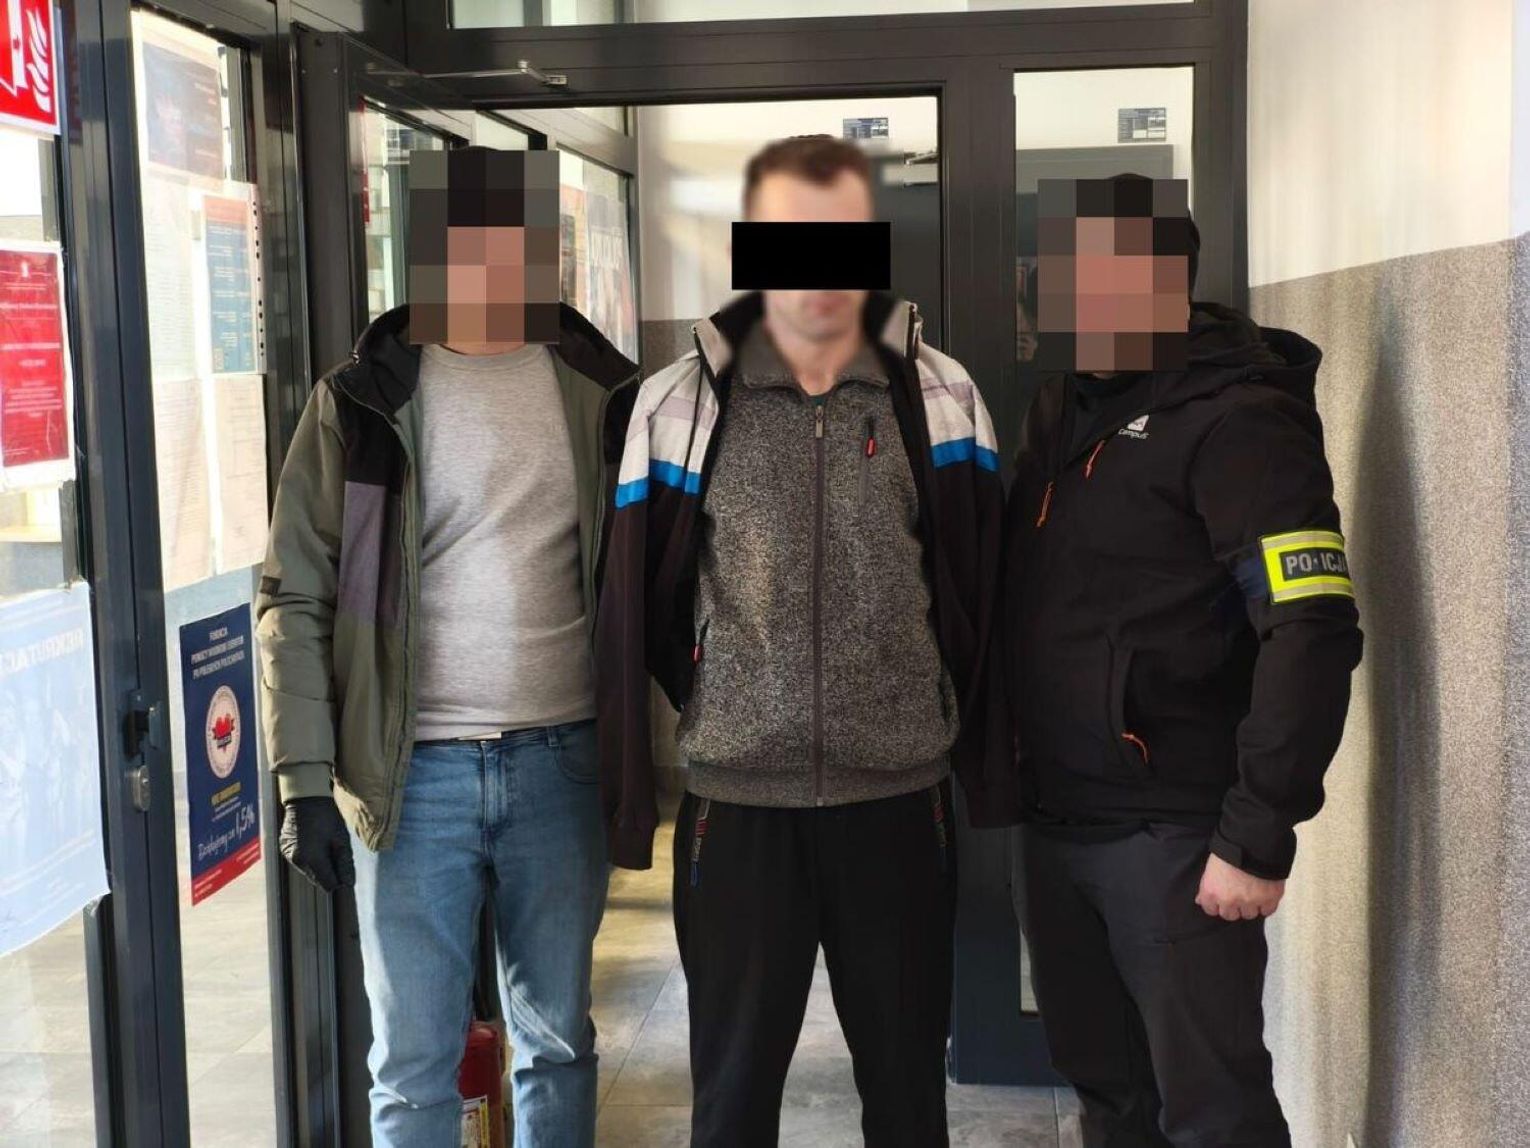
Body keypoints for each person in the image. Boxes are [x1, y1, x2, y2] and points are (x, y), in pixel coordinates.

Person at [595, 134, 1019, 1148]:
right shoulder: (678, 403)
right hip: (739, 812)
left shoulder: (943, 395)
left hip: (898, 801)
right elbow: (642, 602)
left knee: (909, 1105)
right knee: (732, 1106)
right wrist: (724, 686)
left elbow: (977, 591)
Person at [256, 146, 639, 1148]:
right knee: (413, 1065)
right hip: (409, 775)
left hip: (564, 760)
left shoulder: (605, 393)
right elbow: (295, 592)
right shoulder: (360, 402)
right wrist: (302, 782)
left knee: (558, 1041)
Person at [1003, 173, 1363, 1148]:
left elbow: (1313, 627)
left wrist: (1257, 834)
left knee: (1213, 1114)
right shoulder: (1061, 409)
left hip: (1173, 838)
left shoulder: (1240, 417)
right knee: (1108, 1093)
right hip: (1054, 825)